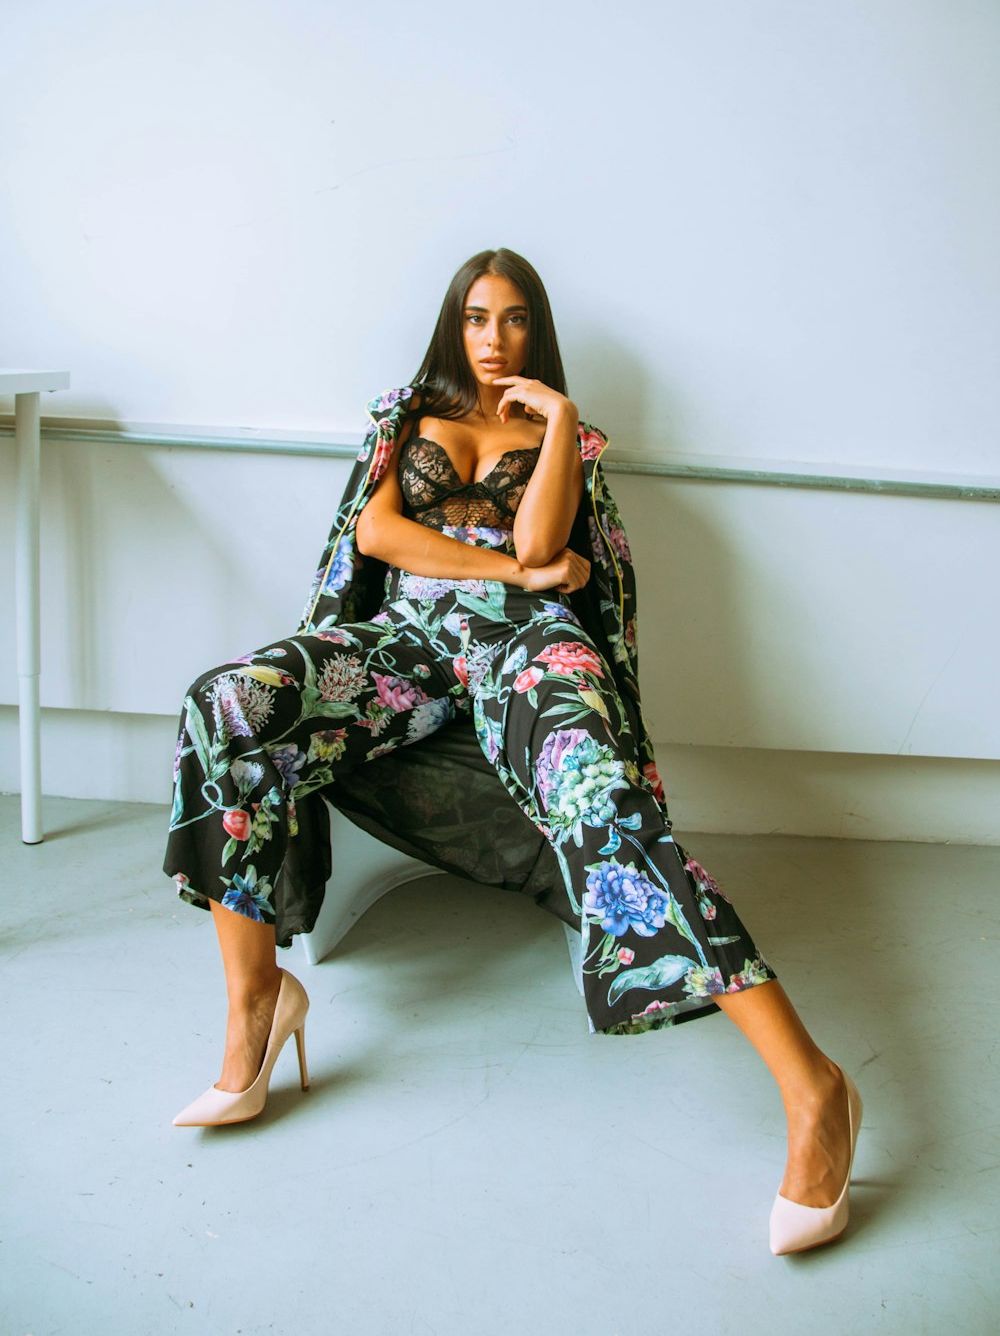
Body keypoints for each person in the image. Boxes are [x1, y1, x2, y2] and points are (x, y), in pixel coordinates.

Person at [164, 248, 862, 1254]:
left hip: (527, 642)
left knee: (599, 796)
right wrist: (523, 568)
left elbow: (543, 557)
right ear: (456, 323)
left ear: (538, 331)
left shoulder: (560, 433)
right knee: (228, 705)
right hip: (403, 640)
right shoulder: (402, 416)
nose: (496, 339)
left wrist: (562, 433)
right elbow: (378, 541)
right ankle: (257, 1006)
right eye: (479, 317)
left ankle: (815, 1088)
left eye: (517, 319)